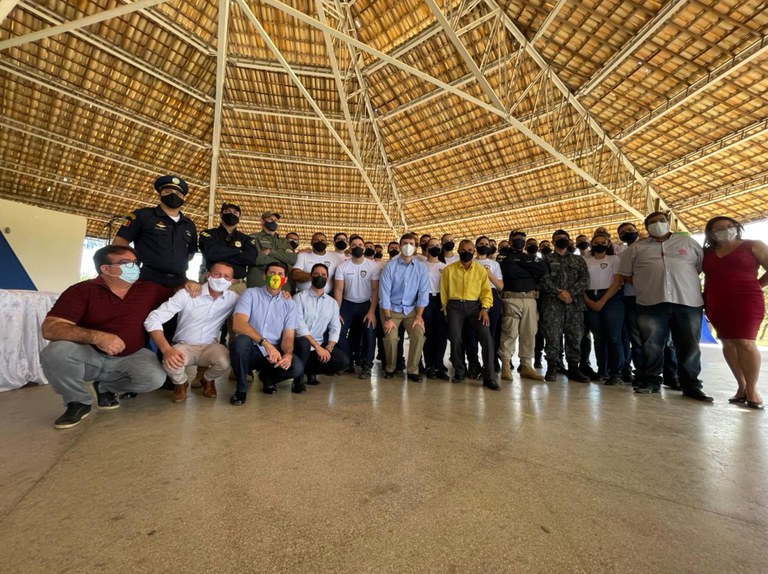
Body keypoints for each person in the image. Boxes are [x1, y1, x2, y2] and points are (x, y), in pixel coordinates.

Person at [40, 246, 171, 428]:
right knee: (55, 352)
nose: (134, 267)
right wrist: (96, 337)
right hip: (89, 355)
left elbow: (180, 298)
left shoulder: (149, 290)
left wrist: (189, 285)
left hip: (132, 354)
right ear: (105, 268)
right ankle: (78, 402)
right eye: (125, 263)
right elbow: (51, 328)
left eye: (135, 263)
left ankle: (105, 387)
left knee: (154, 378)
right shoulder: (82, 290)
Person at [620, 212, 712, 401]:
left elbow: (699, 268)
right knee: (651, 345)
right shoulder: (636, 249)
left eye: (661, 221)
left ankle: (691, 385)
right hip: (651, 303)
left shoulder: (688, 243)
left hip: (686, 301)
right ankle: (652, 381)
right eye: (652, 223)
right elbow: (627, 275)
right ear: (646, 228)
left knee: (689, 346)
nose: (657, 224)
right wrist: (647, 283)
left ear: (668, 223)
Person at [144, 261, 238, 402]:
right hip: (184, 345)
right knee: (170, 362)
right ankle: (180, 383)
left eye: (226, 276)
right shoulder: (187, 294)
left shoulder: (233, 298)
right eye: (217, 274)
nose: (221, 279)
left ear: (232, 281)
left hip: (209, 347)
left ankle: (207, 380)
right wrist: (166, 349)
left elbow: (254, 306)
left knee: (225, 361)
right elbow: (152, 319)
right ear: (207, 275)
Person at [702, 216, 768, 409]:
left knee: (745, 342)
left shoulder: (754, 245)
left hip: (747, 298)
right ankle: (741, 386)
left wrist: (756, 284)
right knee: (727, 342)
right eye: (719, 229)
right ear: (711, 234)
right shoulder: (707, 253)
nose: (725, 230)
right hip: (716, 300)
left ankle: (752, 390)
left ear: (737, 227)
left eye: (729, 226)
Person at [230, 262, 304, 404]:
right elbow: (238, 324)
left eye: (280, 274)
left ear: (285, 279)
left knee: (296, 367)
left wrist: (288, 354)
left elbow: (288, 336)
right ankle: (241, 389)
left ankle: (268, 377)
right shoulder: (251, 294)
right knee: (239, 343)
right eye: (272, 273)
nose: (275, 277)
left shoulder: (290, 304)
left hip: (273, 353)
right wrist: (265, 343)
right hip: (251, 348)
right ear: (265, 276)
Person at [113, 175, 197, 288]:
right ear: (160, 195)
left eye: (178, 194)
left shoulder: (189, 224)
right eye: (168, 191)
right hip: (147, 279)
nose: (173, 195)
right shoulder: (142, 215)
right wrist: (133, 264)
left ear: (183, 198)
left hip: (179, 282)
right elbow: (119, 243)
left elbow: (190, 254)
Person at [441, 240, 500, 390]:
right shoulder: (449, 270)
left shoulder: (481, 270)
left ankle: (489, 377)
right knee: (455, 337)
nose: (466, 252)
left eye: (469, 249)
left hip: (475, 307)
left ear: (474, 251)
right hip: (454, 306)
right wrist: (446, 311)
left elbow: (487, 292)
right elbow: (444, 292)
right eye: (463, 249)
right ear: (458, 251)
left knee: (486, 337)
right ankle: (460, 371)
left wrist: (485, 309)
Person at [539, 230, 590, 383]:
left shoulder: (578, 260)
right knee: (552, 337)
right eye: (558, 238)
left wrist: (569, 293)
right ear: (553, 242)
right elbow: (543, 280)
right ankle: (552, 367)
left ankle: (574, 368)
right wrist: (558, 292)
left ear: (569, 242)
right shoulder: (545, 260)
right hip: (552, 305)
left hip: (574, 305)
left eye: (564, 238)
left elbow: (585, 280)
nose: (561, 240)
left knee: (574, 337)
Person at [379, 233, 430, 381]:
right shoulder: (390, 267)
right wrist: (387, 318)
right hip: (391, 310)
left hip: (412, 310)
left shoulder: (421, 269)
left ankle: (413, 370)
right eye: (405, 243)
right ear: (400, 246)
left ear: (416, 247)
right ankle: (390, 368)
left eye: (411, 243)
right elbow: (384, 294)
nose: (408, 246)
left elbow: (423, 294)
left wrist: (419, 316)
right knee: (390, 337)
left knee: (419, 335)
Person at [498, 229, 545, 381]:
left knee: (529, 332)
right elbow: (511, 271)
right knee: (509, 332)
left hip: (530, 299)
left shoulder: (529, 257)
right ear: (510, 240)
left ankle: (526, 365)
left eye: (522, 239)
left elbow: (542, 269)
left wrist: (523, 265)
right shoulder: (504, 256)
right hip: (512, 298)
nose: (520, 241)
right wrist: (529, 270)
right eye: (517, 238)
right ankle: (506, 364)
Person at [292, 263, 349, 389]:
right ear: (311, 277)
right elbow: (300, 327)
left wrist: (328, 348)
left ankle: (310, 370)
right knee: (304, 343)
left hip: (319, 345)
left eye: (323, 275)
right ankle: (298, 379)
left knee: (342, 360)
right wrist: (317, 347)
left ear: (327, 279)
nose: (320, 277)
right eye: (316, 274)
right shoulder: (299, 298)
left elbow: (335, 327)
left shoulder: (332, 303)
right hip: (299, 345)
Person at [334, 235, 380, 379]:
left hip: (366, 305)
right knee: (338, 331)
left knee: (369, 331)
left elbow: (375, 291)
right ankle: (348, 361)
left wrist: (372, 311)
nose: (357, 247)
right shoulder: (343, 266)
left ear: (364, 247)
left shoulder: (372, 266)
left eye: (360, 244)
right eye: (354, 245)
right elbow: (339, 290)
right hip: (347, 304)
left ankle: (367, 365)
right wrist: (336, 312)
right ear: (350, 247)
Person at [583, 233, 624, 385]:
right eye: (596, 242)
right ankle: (602, 371)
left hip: (611, 298)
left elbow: (617, 281)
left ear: (608, 244)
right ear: (591, 244)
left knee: (613, 337)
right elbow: (580, 281)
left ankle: (616, 373)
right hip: (589, 297)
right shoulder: (585, 260)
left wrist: (603, 300)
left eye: (603, 242)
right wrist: (586, 299)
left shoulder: (614, 259)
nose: (599, 244)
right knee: (598, 338)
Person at [198, 203, 257, 293]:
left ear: (239, 217)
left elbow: (251, 258)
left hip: (237, 286)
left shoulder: (246, 238)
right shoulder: (208, 234)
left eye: (235, 212)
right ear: (221, 215)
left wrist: (220, 255)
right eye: (227, 211)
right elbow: (210, 253)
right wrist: (238, 251)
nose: (231, 214)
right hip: (211, 283)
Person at [245, 211, 297, 289]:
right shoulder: (254, 238)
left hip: (282, 287)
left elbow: (293, 259)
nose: (273, 222)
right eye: (270, 219)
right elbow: (256, 259)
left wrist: (270, 252)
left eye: (275, 220)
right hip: (259, 284)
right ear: (262, 221)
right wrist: (282, 260)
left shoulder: (284, 241)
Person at [420, 238, 449, 379]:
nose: (435, 248)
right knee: (428, 333)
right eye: (432, 245)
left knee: (441, 334)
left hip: (440, 300)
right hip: (425, 300)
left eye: (438, 245)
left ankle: (439, 364)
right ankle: (429, 365)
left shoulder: (445, 267)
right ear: (427, 247)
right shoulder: (420, 265)